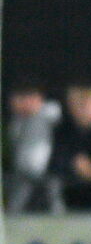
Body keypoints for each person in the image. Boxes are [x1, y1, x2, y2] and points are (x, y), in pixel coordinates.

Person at [6, 78, 61, 213]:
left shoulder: (47, 111)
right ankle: (14, 214)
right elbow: (14, 137)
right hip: (23, 167)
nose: (27, 102)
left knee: (52, 192)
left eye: (31, 97)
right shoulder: (18, 119)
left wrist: (37, 108)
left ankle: (59, 213)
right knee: (19, 195)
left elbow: (56, 113)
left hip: (45, 165)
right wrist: (22, 113)